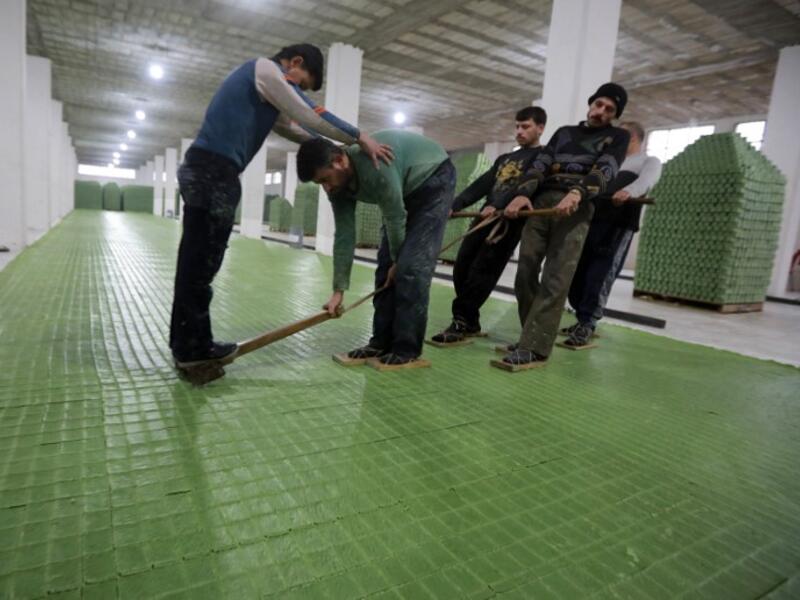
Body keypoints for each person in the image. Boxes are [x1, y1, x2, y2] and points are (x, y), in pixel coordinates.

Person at [169, 44, 392, 371]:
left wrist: (327, 152)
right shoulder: (266, 71)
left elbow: (291, 127)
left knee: (196, 262)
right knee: (200, 264)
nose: (296, 90)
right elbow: (307, 113)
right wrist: (360, 138)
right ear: (296, 63)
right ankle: (192, 347)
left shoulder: (260, 86)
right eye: (301, 82)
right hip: (212, 172)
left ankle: (188, 343)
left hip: (208, 171)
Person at [498, 82, 630, 369]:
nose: (602, 112)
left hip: (577, 207)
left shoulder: (617, 136)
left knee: (556, 278)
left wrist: (577, 193)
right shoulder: (564, 133)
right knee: (525, 273)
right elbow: (540, 165)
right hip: (542, 203)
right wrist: (522, 193)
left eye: (610, 109)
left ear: (615, 114)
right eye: (599, 104)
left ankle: (535, 347)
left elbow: (605, 169)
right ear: (591, 103)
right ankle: (530, 335)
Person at [296, 130, 456, 367]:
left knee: (410, 269)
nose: (326, 188)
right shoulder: (337, 187)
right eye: (320, 183)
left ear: (340, 161)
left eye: (325, 180)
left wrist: (397, 262)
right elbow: (344, 235)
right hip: (402, 191)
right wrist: (338, 290)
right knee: (384, 273)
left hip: (433, 179)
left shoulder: (374, 165)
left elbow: (394, 217)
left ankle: (406, 349)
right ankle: (379, 342)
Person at [430, 106, 547, 344]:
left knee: (482, 272)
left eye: (526, 126)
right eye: (517, 126)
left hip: (507, 223)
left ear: (540, 128)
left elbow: (525, 185)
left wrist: (501, 205)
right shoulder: (505, 158)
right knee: (461, 267)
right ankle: (470, 321)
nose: (519, 131)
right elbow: (482, 185)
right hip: (484, 217)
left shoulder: (542, 158)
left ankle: (461, 321)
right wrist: (456, 204)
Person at [562, 121, 663, 347]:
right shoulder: (609, 162)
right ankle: (580, 318)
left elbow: (647, 181)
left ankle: (587, 323)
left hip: (617, 225)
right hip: (591, 221)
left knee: (600, 274)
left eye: (620, 134)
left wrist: (628, 191)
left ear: (634, 138)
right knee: (578, 273)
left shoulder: (648, 161)